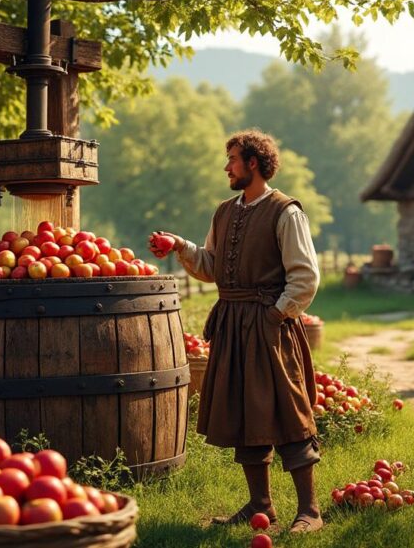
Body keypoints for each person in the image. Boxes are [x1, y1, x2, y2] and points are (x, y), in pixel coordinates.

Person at [151, 129, 323, 533]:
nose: (226, 166)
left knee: (288, 411)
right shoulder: (225, 211)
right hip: (232, 323)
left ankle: (311, 511)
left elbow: (305, 276)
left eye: (232, 158)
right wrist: (180, 245)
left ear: (253, 163)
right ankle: (261, 504)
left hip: (269, 325)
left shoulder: (286, 211)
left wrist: (275, 315)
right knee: (247, 411)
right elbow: (211, 266)